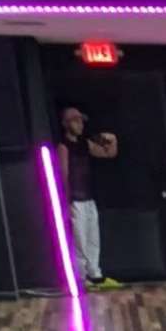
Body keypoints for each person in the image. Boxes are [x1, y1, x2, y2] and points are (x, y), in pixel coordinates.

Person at [57, 105, 121, 290]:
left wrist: (113, 139)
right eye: (75, 120)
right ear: (66, 124)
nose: (80, 124)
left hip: (89, 198)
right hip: (75, 200)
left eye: (80, 120)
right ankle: (82, 278)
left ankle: (96, 275)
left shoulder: (85, 144)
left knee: (93, 239)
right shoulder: (63, 146)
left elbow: (109, 153)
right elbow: (64, 173)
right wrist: (66, 202)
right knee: (80, 242)